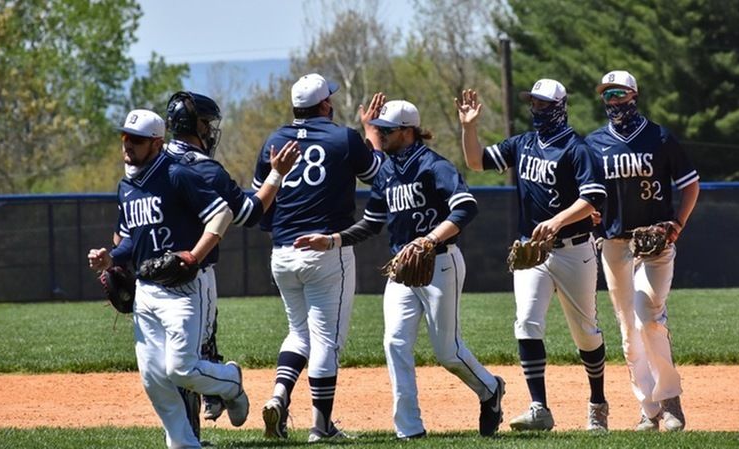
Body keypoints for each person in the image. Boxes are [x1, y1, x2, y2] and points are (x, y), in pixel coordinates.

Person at [294, 99, 506, 439]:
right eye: (379, 128)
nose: (379, 133)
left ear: (407, 132)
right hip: (401, 270)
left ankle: (489, 390)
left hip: (440, 262)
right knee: (394, 343)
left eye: (386, 130)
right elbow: (371, 223)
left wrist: (429, 239)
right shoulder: (387, 172)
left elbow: (466, 207)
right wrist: (332, 240)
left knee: (447, 352)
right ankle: (409, 428)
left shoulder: (434, 165)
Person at [87, 109, 249, 449]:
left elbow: (222, 214)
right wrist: (110, 257)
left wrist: (194, 255)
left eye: (137, 140)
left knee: (181, 369)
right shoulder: (127, 185)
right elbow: (132, 239)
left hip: (180, 289)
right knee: (153, 377)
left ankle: (231, 382)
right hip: (146, 290)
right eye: (125, 138)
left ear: (157, 143)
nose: (127, 145)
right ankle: (183, 443)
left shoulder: (177, 175)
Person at [456, 80, 610, 431]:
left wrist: (556, 221)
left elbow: (594, 197)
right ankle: (539, 408)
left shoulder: (576, 148)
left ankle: (597, 403)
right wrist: (470, 128)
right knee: (526, 322)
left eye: (543, 104)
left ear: (559, 106)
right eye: (533, 104)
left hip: (575, 251)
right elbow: (476, 161)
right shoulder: (523, 144)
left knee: (585, 333)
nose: (536, 109)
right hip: (532, 252)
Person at [250, 73, 384, 442]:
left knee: (298, 333)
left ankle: (279, 396)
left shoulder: (274, 140)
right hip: (326, 249)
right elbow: (379, 174)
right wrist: (370, 133)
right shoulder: (343, 137)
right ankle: (321, 427)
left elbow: (261, 199)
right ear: (325, 105)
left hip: (283, 252)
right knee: (326, 340)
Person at [162, 91, 299, 423]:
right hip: (195, 272)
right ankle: (225, 386)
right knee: (189, 356)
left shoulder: (152, 163)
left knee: (174, 361)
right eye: (206, 123)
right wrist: (277, 173)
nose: (210, 131)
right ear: (193, 125)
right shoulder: (205, 169)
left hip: (156, 275)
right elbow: (250, 212)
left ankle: (199, 419)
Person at [586, 70, 700, 431]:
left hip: (655, 243)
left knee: (648, 317)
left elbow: (691, 184)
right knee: (626, 330)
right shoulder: (594, 143)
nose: (614, 101)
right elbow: (586, 195)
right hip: (615, 244)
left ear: (635, 95)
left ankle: (670, 401)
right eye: (607, 95)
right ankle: (647, 409)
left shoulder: (659, 137)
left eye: (620, 93)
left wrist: (677, 224)